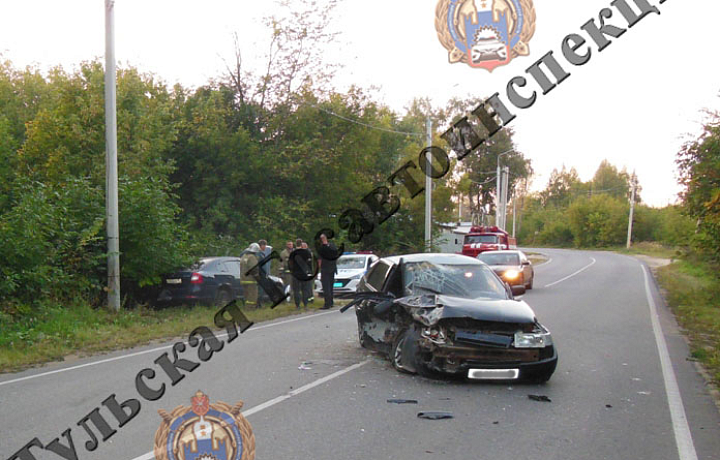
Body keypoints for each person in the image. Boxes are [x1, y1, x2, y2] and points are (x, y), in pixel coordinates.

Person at [317, 233, 339, 309]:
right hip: (332, 268)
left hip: (325, 269)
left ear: (321, 239)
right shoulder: (332, 246)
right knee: (330, 286)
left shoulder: (321, 248)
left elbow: (320, 260)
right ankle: (331, 302)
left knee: (326, 287)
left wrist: (318, 268)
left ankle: (327, 304)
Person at [289, 238, 313, 309]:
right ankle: (305, 304)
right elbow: (309, 263)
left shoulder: (293, 253)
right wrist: (309, 272)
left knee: (296, 290)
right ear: (301, 243)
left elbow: (290, 263)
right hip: (304, 273)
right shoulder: (307, 252)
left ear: (295, 244)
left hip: (296, 273)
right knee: (304, 289)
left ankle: (297, 305)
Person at [240, 243, 261, 308]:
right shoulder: (252, 257)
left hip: (243, 279)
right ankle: (251, 308)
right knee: (252, 296)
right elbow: (254, 268)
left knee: (246, 295)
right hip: (251, 280)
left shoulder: (244, 256)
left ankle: (246, 307)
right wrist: (257, 277)